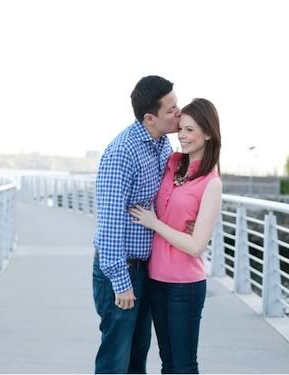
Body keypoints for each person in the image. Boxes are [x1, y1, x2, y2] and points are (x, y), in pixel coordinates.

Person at [93, 75, 180, 374]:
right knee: (114, 360)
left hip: (145, 269)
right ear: (149, 118)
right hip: (121, 271)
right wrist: (121, 281)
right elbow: (110, 223)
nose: (178, 113)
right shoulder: (122, 153)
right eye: (171, 109)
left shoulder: (162, 146)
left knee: (136, 358)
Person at [129, 98, 222, 374]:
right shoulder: (171, 162)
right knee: (167, 362)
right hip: (156, 279)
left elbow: (195, 247)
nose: (182, 135)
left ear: (208, 133)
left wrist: (154, 223)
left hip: (185, 286)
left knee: (183, 364)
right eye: (181, 128)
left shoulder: (211, 183)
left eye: (190, 130)